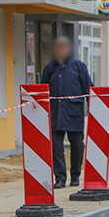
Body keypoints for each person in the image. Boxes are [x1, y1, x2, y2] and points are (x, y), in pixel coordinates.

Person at [41, 36, 93, 188]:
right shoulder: (50, 68)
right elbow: (42, 90)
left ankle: (75, 176)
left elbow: (88, 88)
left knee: (77, 145)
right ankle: (60, 178)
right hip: (55, 113)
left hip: (74, 113)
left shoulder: (78, 66)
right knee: (56, 147)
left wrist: (92, 108)